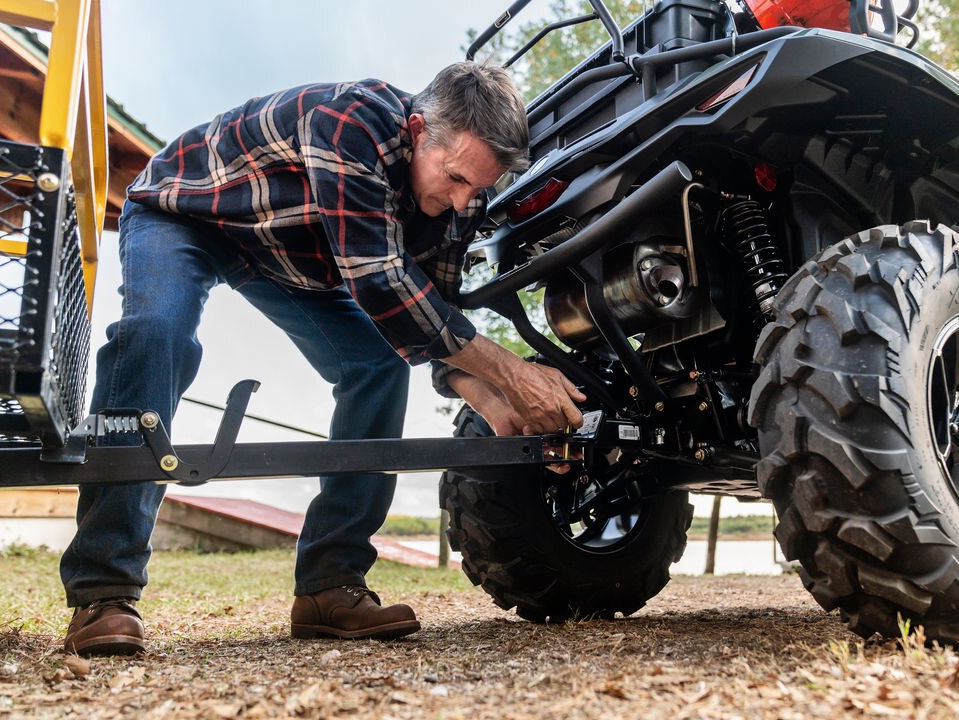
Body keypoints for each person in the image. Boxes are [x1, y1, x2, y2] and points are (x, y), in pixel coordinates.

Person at [60, 62, 585, 656]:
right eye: (456, 178)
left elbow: (431, 311)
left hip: (286, 254)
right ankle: (103, 590)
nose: (463, 201)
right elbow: (383, 285)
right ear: (417, 130)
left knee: (379, 367)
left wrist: (491, 398)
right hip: (187, 212)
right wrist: (515, 374)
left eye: (478, 189)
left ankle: (329, 587)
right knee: (157, 335)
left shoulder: (460, 199)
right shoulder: (348, 121)